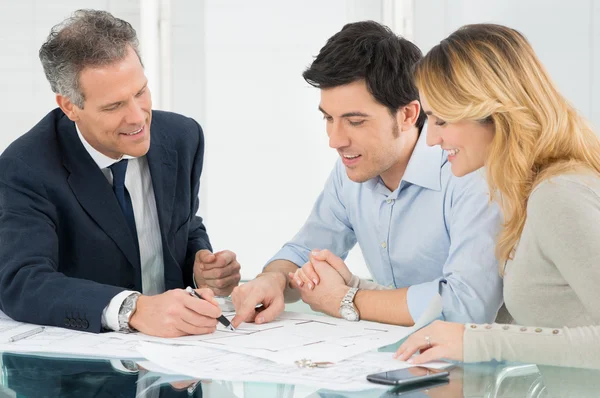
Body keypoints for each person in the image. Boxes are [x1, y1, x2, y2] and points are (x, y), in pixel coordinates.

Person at [230, 21, 503, 328]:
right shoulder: (353, 169)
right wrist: (273, 280)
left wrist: (345, 299)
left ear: (408, 115)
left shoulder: (468, 169)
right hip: (399, 358)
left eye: (355, 122)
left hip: (478, 365)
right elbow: (305, 250)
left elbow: (466, 306)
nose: (335, 140)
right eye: (328, 118)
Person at [0, 10, 241, 337]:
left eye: (140, 92)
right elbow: (21, 282)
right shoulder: (25, 167)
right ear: (69, 106)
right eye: (114, 106)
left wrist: (200, 268)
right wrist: (133, 309)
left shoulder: (183, 137)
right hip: (81, 371)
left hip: (178, 359)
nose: (137, 117)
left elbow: (182, 225)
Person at [395, 23, 600, 369]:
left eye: (441, 121)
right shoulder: (524, 192)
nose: (431, 140)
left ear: (495, 115)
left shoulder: (558, 196)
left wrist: (476, 341)